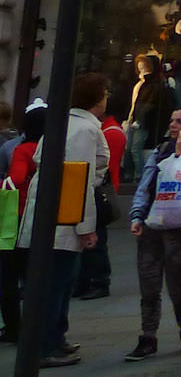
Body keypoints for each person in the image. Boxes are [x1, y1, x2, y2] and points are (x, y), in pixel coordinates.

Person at [19, 77, 110, 366]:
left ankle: (55, 337)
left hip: (49, 215)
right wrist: (85, 227)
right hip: (63, 219)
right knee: (57, 283)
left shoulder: (64, 124)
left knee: (58, 281)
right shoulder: (84, 130)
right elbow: (78, 181)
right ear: (97, 99)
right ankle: (47, 346)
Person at [126, 104, 181, 360]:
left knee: (177, 282)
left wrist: (180, 154)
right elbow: (146, 184)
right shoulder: (159, 150)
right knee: (149, 282)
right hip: (153, 222)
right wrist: (137, 214)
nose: (173, 125)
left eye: (180, 121)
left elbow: (177, 180)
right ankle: (147, 336)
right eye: (172, 120)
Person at [74, 88, 125, 301]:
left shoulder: (108, 131)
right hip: (95, 187)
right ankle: (88, 280)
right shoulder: (102, 129)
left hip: (98, 189)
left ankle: (98, 281)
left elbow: (105, 165)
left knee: (96, 239)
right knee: (91, 239)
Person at [1, 100, 44, 346]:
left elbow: (15, 179)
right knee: (35, 275)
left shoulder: (23, 149)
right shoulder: (56, 147)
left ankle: (14, 327)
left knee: (8, 276)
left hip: (15, 216)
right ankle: (37, 326)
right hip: (44, 218)